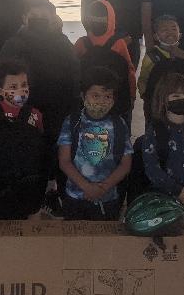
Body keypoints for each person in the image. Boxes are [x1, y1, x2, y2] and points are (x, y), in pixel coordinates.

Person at [0, 0, 79, 154]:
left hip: (57, 111)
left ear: (52, 18)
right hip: (23, 110)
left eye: (44, 16)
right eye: (34, 16)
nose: (39, 19)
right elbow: (1, 78)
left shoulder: (62, 43)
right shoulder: (13, 44)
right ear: (24, 18)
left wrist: (73, 106)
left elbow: (75, 75)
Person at [0, 60, 49, 220]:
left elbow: (41, 152)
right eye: (13, 86)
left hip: (27, 187)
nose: (21, 90)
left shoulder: (35, 115)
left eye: (24, 85)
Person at [136, 72, 184, 227]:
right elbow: (152, 167)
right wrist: (177, 191)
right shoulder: (155, 131)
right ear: (163, 99)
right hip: (161, 200)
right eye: (176, 96)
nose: (182, 100)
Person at [57, 67, 133, 221]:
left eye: (107, 96)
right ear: (83, 95)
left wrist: (103, 188)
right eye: (95, 95)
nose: (101, 101)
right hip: (75, 197)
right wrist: (87, 187)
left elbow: (125, 164)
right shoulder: (72, 122)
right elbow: (64, 161)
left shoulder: (119, 124)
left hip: (108, 199)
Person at [74, 0, 137, 119]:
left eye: (100, 19)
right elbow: (130, 71)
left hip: (88, 102)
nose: (98, 22)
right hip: (114, 100)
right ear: (111, 19)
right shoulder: (119, 43)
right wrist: (132, 95)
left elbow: (72, 72)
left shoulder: (81, 42)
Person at [138, 14, 184, 121]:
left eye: (174, 29)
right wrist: (147, 98)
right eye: (164, 30)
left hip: (183, 101)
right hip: (158, 103)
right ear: (156, 36)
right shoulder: (152, 56)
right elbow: (143, 80)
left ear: (180, 34)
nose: (170, 32)